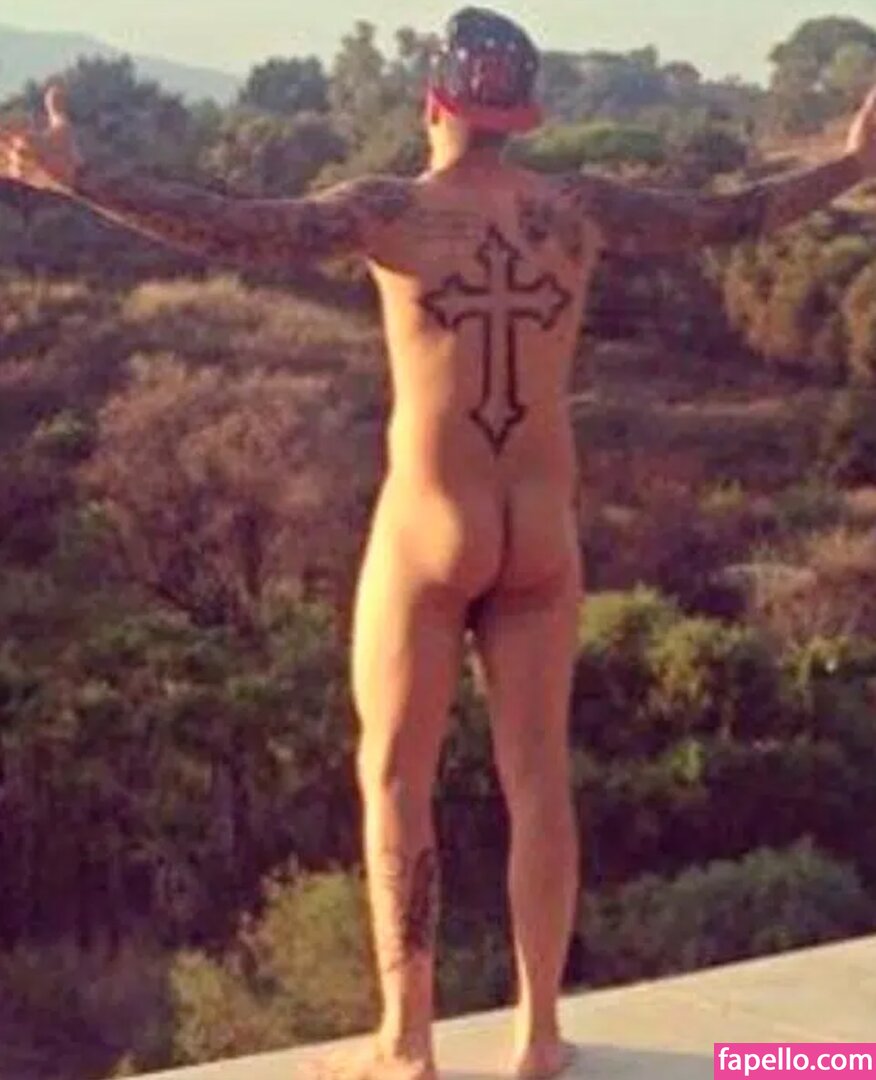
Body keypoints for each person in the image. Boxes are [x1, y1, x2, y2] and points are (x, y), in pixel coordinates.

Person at [2, 8, 875, 1079]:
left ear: (431, 102)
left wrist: (83, 179)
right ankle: (540, 1035)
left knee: (394, 777)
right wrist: (850, 167)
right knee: (539, 779)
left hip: (431, 528)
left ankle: (406, 1041)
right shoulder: (578, 210)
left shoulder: (392, 211)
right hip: (540, 533)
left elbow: (235, 227)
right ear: (522, 115)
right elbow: (730, 215)